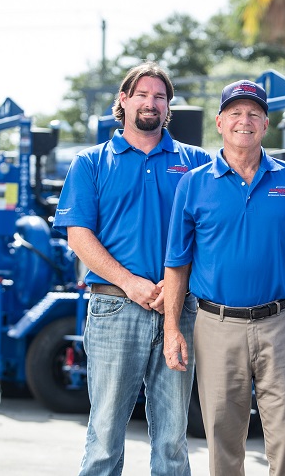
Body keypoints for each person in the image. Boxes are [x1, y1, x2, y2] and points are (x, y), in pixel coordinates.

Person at [162, 79, 285, 476]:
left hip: (281, 323)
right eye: (235, 113)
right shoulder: (194, 184)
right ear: (219, 123)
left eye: (254, 113)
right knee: (222, 436)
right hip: (216, 326)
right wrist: (172, 327)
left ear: (266, 124)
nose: (245, 120)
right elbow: (177, 263)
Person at [53, 61, 211, 476]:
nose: (150, 102)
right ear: (122, 101)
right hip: (115, 307)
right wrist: (131, 283)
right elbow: (78, 236)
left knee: (174, 438)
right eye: (141, 94)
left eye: (159, 96)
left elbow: (211, 231)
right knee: (105, 434)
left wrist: (175, 288)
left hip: (179, 310)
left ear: (169, 108)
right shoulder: (91, 163)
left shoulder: (196, 163)